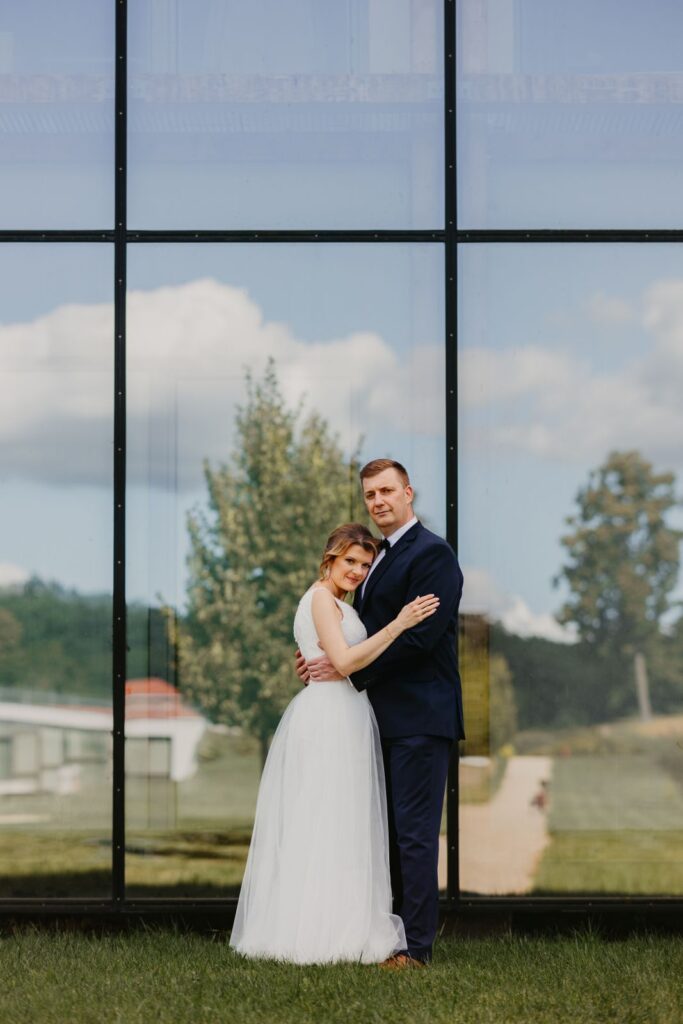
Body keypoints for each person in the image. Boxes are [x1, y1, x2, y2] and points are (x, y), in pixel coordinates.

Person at [229, 522, 440, 965]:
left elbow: (333, 656)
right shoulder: (322, 599)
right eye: (350, 561)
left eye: (365, 564)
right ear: (330, 558)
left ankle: (343, 923)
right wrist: (400, 624)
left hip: (348, 713)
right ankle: (317, 932)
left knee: (344, 822)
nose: (358, 571)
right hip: (329, 717)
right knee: (325, 819)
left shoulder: (339, 602)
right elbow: (343, 662)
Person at [299, 459, 464, 968]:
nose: (378, 501)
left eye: (387, 491)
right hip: (379, 719)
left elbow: (420, 638)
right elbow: (357, 634)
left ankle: (415, 949)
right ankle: (383, 938)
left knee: (413, 838)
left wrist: (348, 671)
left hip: (421, 717)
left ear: (408, 493)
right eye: (370, 494)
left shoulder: (433, 554)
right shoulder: (376, 559)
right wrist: (323, 657)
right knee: (385, 836)